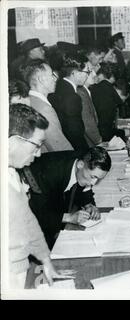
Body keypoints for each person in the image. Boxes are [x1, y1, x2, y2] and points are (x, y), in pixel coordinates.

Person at [8, 103, 59, 288]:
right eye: (37, 146)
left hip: (19, 268)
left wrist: (45, 258)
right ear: (13, 141)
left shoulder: (13, 173)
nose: (38, 154)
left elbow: (27, 219)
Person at [27, 146, 111, 249]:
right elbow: (37, 213)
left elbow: (84, 189)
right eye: (93, 177)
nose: (94, 183)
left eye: (99, 179)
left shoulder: (83, 164)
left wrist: (89, 204)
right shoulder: (49, 173)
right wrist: (68, 217)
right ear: (80, 164)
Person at [23, 59, 73, 152]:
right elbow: (60, 148)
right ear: (41, 79)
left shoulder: (28, 101)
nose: (55, 78)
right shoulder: (44, 109)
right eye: (52, 75)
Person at [48, 53, 90, 151]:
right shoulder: (72, 97)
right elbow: (75, 133)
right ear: (74, 73)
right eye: (86, 72)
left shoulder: (59, 86)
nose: (87, 75)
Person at [90, 62, 124, 141]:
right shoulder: (109, 90)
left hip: (96, 130)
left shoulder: (94, 88)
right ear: (114, 77)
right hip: (105, 133)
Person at [77, 65, 103, 146]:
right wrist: (98, 141)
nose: (95, 75)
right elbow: (87, 122)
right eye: (90, 71)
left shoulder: (85, 90)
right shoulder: (80, 92)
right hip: (88, 142)